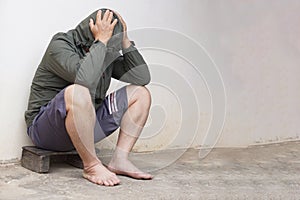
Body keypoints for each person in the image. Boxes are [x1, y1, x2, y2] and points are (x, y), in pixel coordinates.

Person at [24, 8, 152, 186]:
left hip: (87, 127)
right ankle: (91, 165)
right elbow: (85, 79)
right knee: (79, 90)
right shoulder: (60, 45)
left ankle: (120, 160)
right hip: (46, 130)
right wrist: (101, 42)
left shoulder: (105, 52)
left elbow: (142, 77)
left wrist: (125, 41)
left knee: (141, 93)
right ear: (92, 28)